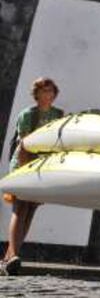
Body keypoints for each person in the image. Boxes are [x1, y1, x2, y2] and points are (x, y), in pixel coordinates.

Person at [1, 77, 64, 276]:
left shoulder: (58, 114)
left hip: (43, 168)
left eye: (51, 90)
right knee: (20, 209)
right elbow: (24, 144)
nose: (48, 94)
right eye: (44, 90)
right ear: (36, 94)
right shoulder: (28, 114)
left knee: (30, 211)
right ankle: (13, 256)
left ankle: (9, 256)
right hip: (24, 165)